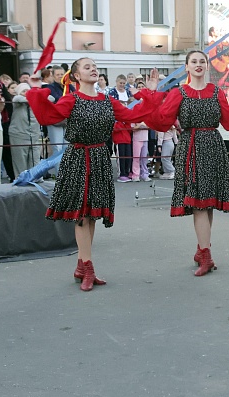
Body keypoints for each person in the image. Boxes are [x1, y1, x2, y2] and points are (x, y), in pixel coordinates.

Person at [26, 58, 158, 290]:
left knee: (92, 213)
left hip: (99, 158)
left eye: (95, 66)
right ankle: (87, 267)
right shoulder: (71, 99)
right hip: (78, 158)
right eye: (87, 67)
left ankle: (82, 264)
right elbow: (48, 117)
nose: (94, 69)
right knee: (82, 214)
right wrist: (37, 89)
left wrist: (150, 93)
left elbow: (133, 116)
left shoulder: (108, 100)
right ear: (76, 76)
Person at [144, 50, 229, 276]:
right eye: (194, 62)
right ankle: (205, 255)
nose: (199, 64)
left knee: (207, 202)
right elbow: (161, 122)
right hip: (191, 148)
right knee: (201, 203)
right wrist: (151, 95)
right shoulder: (178, 92)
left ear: (207, 66)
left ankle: (202, 249)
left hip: (213, 147)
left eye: (202, 61)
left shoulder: (216, 92)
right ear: (187, 67)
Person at [9, 82, 42, 177]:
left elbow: (51, 98)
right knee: (20, 160)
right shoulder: (17, 99)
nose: (26, 92)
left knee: (35, 158)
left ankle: (35, 177)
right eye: (23, 91)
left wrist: (37, 96)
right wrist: (35, 98)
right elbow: (19, 98)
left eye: (28, 90)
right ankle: (21, 179)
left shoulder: (34, 101)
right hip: (19, 134)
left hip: (34, 135)